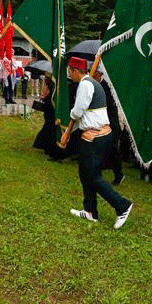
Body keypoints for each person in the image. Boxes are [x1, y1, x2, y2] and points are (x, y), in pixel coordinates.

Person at [63, 56, 133, 229]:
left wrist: (69, 122)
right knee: (84, 173)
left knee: (92, 176)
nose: (69, 75)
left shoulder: (85, 85)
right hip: (97, 134)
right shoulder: (93, 83)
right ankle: (90, 211)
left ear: (74, 70)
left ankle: (122, 205)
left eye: (69, 71)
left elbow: (78, 111)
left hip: (95, 136)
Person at [92, 70, 124, 186]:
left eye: (95, 74)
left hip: (111, 122)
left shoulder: (107, 86)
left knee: (112, 149)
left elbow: (107, 103)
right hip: (101, 121)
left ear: (100, 74)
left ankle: (119, 174)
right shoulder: (96, 85)